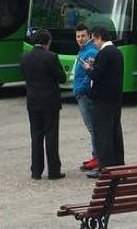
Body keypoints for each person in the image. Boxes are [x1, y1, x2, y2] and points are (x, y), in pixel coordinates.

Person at [19, 29, 67, 180]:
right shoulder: (51, 57)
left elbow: (24, 75)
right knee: (51, 135)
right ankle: (53, 171)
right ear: (48, 42)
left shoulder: (25, 57)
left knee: (36, 136)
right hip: (50, 102)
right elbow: (61, 78)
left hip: (33, 102)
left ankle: (36, 171)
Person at [86, 25, 124, 176]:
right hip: (115, 99)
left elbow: (96, 75)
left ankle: (105, 168)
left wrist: (89, 68)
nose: (94, 43)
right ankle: (117, 164)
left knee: (103, 135)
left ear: (99, 37)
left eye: (94, 39)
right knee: (114, 132)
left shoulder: (104, 53)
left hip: (102, 100)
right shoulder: (117, 52)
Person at [72, 23, 99, 172]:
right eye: (78, 36)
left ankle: (97, 158)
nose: (80, 38)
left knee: (93, 128)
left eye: (83, 35)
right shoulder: (83, 51)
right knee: (92, 128)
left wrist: (80, 90)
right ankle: (95, 155)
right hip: (81, 94)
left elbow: (90, 75)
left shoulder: (90, 52)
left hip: (85, 95)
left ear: (89, 36)